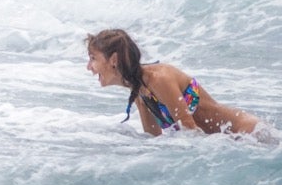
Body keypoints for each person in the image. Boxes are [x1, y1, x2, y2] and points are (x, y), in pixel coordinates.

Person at [85, 29, 259, 136]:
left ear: (114, 59)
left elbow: (190, 130)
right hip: (232, 142)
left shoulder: (159, 79)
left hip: (247, 133)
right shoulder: (140, 91)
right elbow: (153, 138)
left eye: (93, 58)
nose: (88, 67)